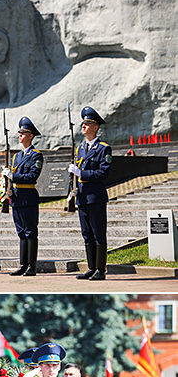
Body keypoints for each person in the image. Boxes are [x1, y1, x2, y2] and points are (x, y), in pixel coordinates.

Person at [72, 107, 112, 281]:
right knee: (86, 233)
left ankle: (100, 270)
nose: (84, 126)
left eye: (88, 123)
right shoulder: (80, 149)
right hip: (82, 196)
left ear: (96, 127)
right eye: (83, 123)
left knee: (98, 233)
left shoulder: (104, 149)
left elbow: (103, 173)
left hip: (95, 197)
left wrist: (83, 174)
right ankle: (91, 267)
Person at [8, 117, 44, 278]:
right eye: (20, 133)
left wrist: (13, 176)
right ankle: (23, 264)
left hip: (28, 196)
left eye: (23, 133)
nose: (20, 135)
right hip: (16, 197)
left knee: (30, 231)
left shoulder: (36, 155)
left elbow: (32, 176)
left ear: (31, 136)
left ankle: (32, 265)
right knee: (21, 232)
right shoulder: (16, 157)